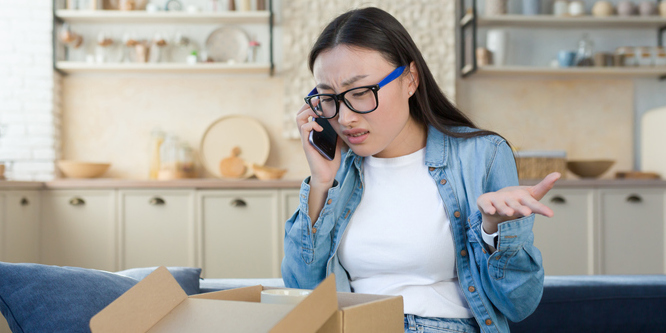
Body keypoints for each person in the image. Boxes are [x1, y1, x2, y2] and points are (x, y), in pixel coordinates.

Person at [281, 7, 560, 333]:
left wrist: (494, 232)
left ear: (410, 79)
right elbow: (303, 291)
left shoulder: (481, 154)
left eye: (360, 93)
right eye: (329, 98)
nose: (344, 118)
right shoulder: (337, 171)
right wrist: (321, 182)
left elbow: (519, 303)